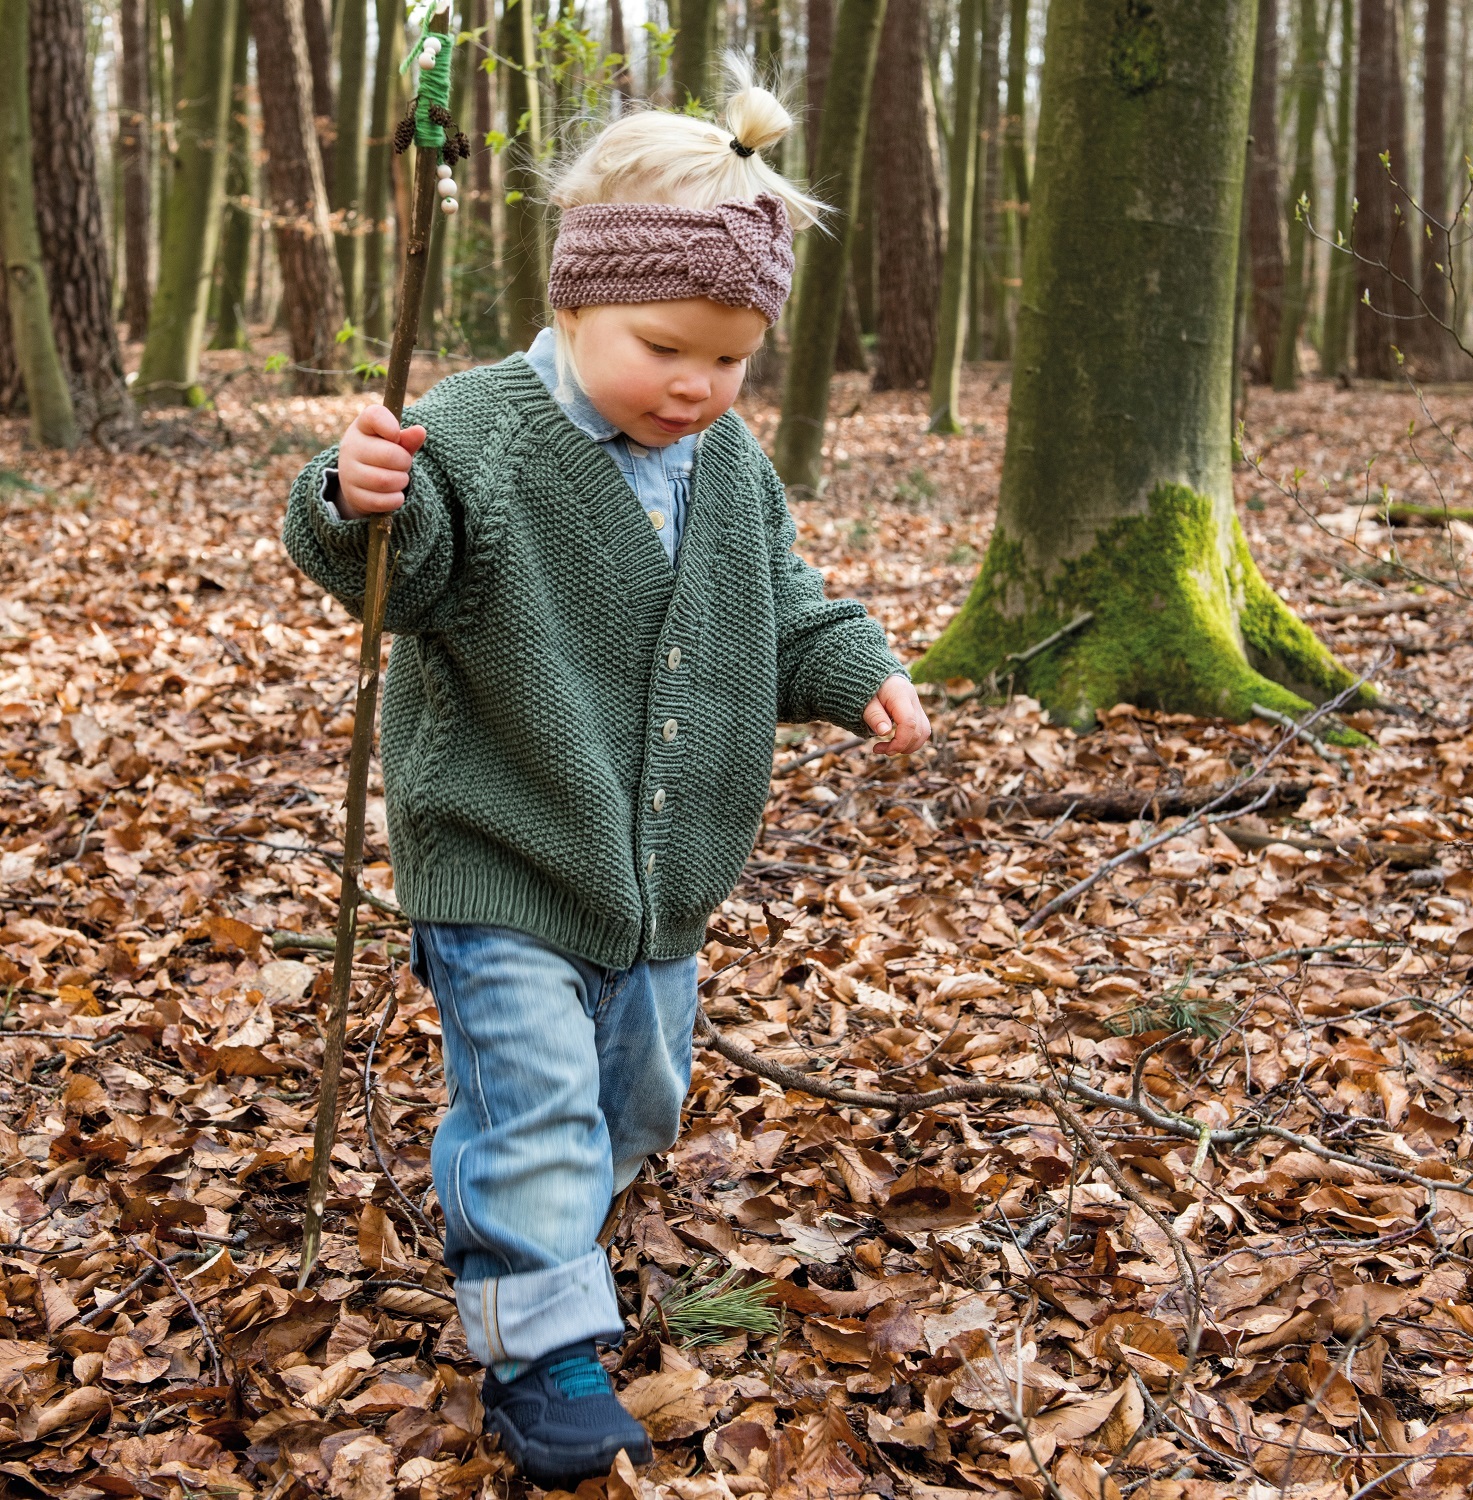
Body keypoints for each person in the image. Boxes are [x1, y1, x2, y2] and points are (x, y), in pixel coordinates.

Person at [282, 59, 930, 1489]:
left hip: (659, 883)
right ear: (576, 303)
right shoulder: (483, 428)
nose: (699, 385)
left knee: (635, 1100)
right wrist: (355, 494)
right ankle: (539, 1347)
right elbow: (402, 562)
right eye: (664, 347)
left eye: (733, 357)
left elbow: (782, 604)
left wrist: (858, 668)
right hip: (504, 852)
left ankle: (564, 1213)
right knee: (535, 1101)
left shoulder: (729, 464)